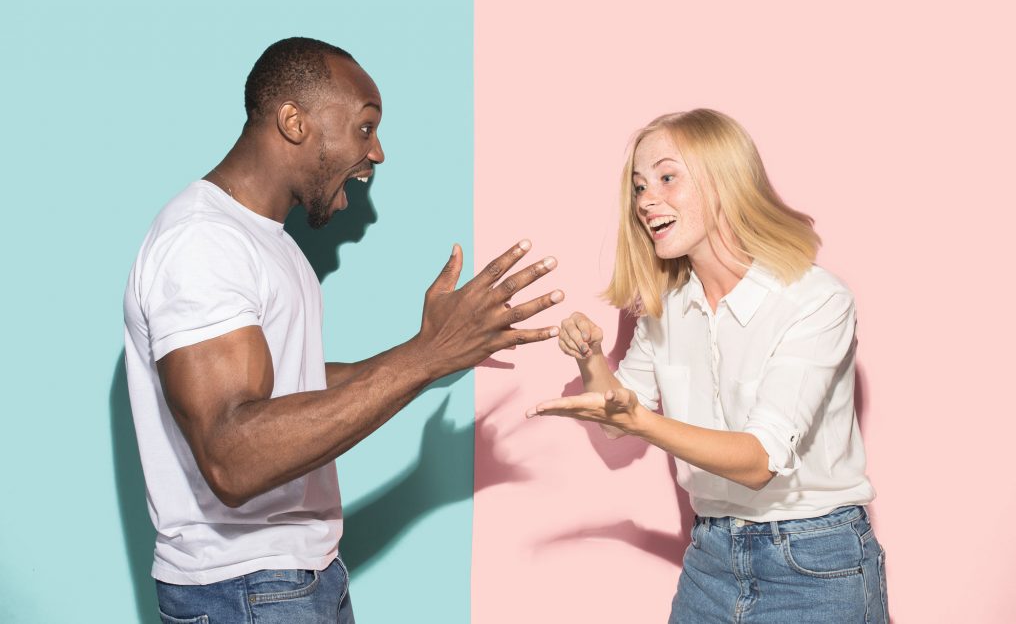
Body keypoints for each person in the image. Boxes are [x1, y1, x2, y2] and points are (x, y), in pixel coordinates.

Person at [123, 37, 563, 623]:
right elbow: (232, 458)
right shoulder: (202, 243)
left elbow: (288, 385)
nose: (377, 152)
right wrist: (425, 358)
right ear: (293, 121)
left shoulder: (266, 242)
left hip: (295, 578)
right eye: (364, 127)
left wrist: (429, 353)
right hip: (243, 588)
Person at [527, 109, 888, 623]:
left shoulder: (815, 300)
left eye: (667, 178)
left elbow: (761, 460)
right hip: (711, 557)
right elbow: (616, 417)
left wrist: (641, 422)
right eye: (638, 187)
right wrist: (590, 360)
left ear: (724, 181)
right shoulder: (666, 307)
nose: (646, 201)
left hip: (815, 561)